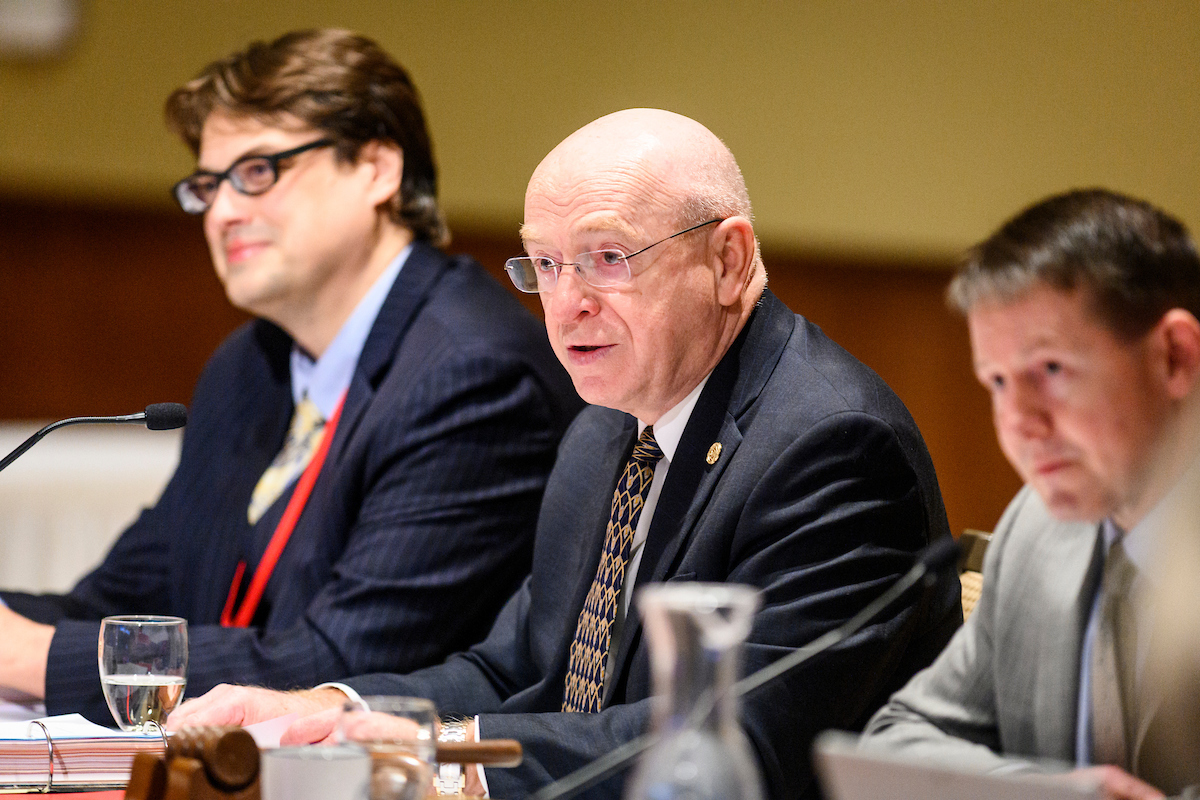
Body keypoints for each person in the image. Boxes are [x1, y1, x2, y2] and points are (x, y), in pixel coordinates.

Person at [169, 108, 961, 800]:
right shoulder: (608, 427)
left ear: (728, 260)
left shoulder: (833, 446)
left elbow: (733, 743)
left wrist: (439, 759)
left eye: (607, 258)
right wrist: (325, 709)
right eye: (545, 264)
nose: (568, 302)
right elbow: (515, 668)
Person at [0, 29, 580, 725]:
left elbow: (342, 661)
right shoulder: (249, 365)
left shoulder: (473, 374)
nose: (222, 211)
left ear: (376, 169)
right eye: (207, 186)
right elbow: (126, 600)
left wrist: (24, 656)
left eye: (257, 172)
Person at [861, 189, 1200, 799]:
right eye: (996, 382)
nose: (1018, 422)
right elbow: (899, 735)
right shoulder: (1038, 527)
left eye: (1051, 371)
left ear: (1174, 357)